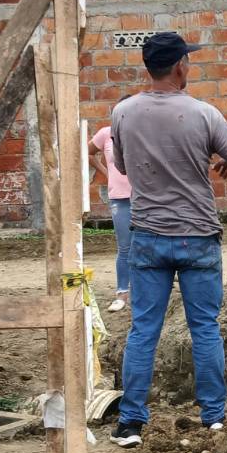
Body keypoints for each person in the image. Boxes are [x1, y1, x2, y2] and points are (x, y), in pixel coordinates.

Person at [109, 32, 227, 448]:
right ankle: (214, 416)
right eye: (188, 61)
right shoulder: (203, 114)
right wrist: (220, 157)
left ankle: (130, 423)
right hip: (197, 236)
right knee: (205, 328)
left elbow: (122, 164)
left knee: (143, 330)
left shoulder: (123, 112)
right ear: (180, 66)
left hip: (147, 235)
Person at [88, 123, 132, 313]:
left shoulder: (144, 128)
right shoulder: (106, 133)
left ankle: (147, 292)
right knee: (125, 247)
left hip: (147, 196)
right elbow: (88, 153)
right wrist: (107, 174)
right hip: (120, 198)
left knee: (149, 244)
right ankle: (122, 294)